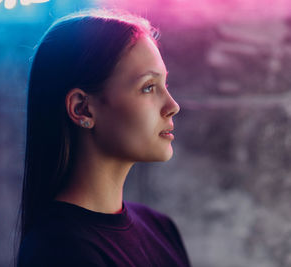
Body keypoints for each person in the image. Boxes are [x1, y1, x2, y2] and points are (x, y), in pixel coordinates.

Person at [16, 9, 190, 267]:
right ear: (82, 108)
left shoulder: (161, 229)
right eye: (148, 87)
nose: (173, 105)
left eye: (165, 85)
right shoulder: (57, 252)